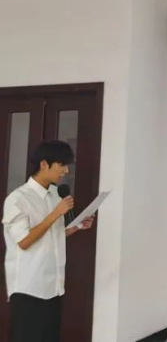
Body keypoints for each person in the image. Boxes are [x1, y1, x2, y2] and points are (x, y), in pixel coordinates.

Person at [3, 141, 94, 342]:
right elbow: (24, 241)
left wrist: (76, 227)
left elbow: (51, 235)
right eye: (62, 164)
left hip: (54, 287)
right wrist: (55, 214)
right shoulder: (18, 199)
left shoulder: (54, 195)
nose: (66, 171)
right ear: (44, 164)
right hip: (29, 288)